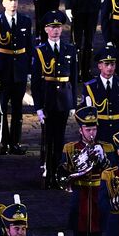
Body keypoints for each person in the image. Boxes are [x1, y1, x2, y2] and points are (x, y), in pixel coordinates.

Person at [62, 106, 109, 236]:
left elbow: (108, 171)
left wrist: (103, 158)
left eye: (94, 129)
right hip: (80, 196)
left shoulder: (104, 147)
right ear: (80, 129)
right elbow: (65, 173)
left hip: (97, 197)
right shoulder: (71, 148)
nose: (91, 133)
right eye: (88, 129)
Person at [32, 11, 78, 188]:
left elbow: (73, 78)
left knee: (60, 140)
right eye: (52, 27)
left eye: (58, 27)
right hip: (48, 100)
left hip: (64, 100)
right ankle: (49, 174)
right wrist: (38, 107)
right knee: (49, 140)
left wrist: (73, 102)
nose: (56, 30)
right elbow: (36, 82)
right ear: (45, 29)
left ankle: (57, 175)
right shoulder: (40, 51)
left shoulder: (69, 49)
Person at [0, 0, 35, 154]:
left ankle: (15, 142)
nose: (13, 3)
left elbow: (30, 48)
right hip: (3, 71)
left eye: (15, 0)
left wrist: (29, 70)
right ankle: (3, 142)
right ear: (3, 3)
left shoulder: (25, 21)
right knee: (1, 110)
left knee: (17, 110)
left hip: (20, 71)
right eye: (10, 0)